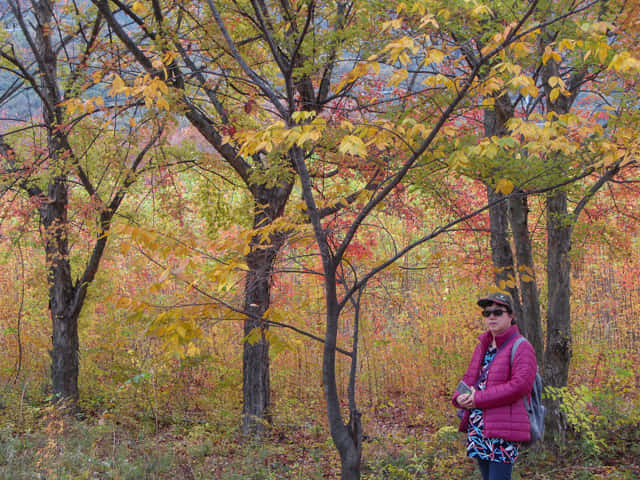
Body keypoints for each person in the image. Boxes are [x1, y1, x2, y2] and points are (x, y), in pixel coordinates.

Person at [452, 292, 537, 480]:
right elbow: (469, 378)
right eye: (487, 313)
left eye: (498, 312)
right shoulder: (483, 345)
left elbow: (520, 386)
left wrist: (478, 399)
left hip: (503, 430)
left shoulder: (521, 346)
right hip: (479, 427)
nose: (491, 316)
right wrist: (459, 397)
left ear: (511, 315)